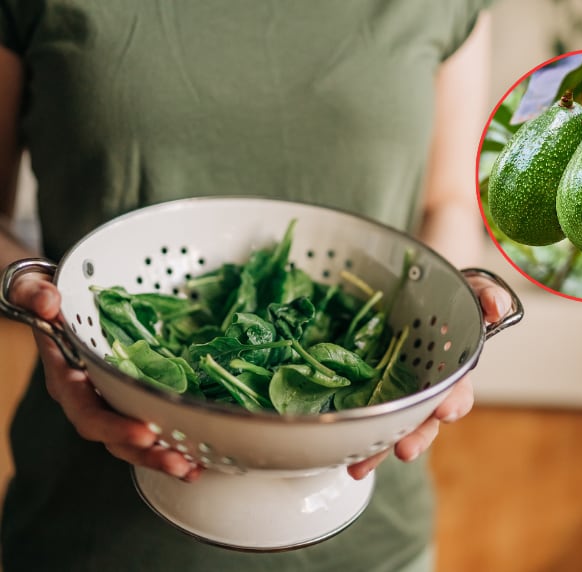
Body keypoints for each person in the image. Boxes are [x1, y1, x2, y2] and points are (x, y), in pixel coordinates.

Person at [0, 2, 508, 570]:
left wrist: (450, 306)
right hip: (87, 535)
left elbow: (449, 202)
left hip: (370, 542)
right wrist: (36, 293)